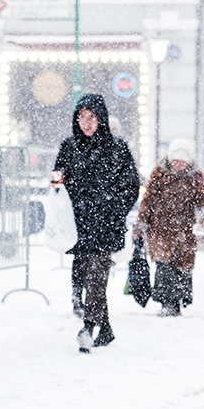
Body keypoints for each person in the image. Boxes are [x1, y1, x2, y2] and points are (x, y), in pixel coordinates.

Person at [52, 94, 139, 353]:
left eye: (91, 117)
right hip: (78, 224)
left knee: (96, 276)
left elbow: (131, 185)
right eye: (81, 117)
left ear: (100, 119)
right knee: (88, 276)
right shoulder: (69, 147)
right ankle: (107, 328)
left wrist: (114, 208)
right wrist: (57, 180)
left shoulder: (117, 148)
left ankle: (88, 327)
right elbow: (60, 177)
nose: (86, 123)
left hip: (105, 224)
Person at [134, 138, 204, 317]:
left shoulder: (194, 177)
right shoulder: (159, 174)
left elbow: (203, 198)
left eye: (182, 162)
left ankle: (178, 300)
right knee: (164, 266)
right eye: (175, 161)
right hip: (160, 228)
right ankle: (167, 303)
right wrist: (141, 224)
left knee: (182, 266)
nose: (178, 165)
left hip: (183, 230)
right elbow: (148, 200)